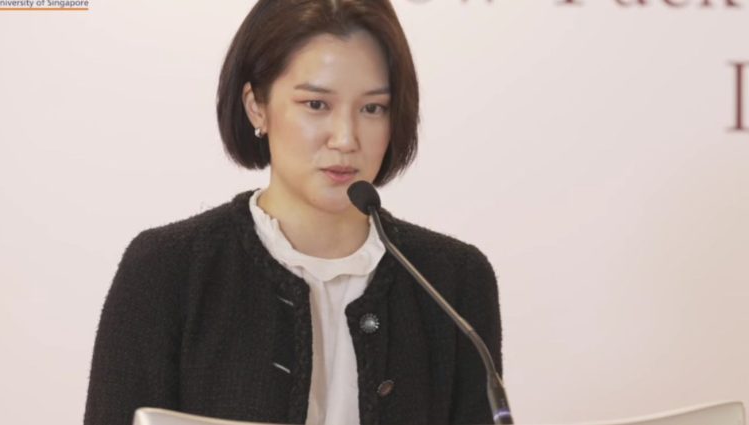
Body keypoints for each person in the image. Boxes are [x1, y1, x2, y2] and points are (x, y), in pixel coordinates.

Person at [83, 1, 504, 424]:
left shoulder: (454, 281)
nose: (346, 139)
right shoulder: (167, 270)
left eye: (372, 108)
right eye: (316, 104)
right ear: (256, 106)